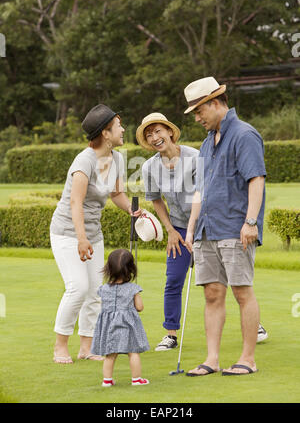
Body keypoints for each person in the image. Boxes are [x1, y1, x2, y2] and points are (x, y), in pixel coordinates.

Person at [184, 77, 267, 376]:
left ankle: (248, 359)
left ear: (215, 103)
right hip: (207, 230)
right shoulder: (207, 142)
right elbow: (200, 190)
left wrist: (251, 222)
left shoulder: (244, 134)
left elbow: (256, 178)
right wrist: (191, 228)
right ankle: (212, 359)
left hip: (235, 227)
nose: (197, 117)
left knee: (242, 292)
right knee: (212, 294)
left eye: (199, 111)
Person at [50, 104, 141, 364]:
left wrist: (134, 212)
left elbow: (116, 195)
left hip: (93, 233)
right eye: (118, 126)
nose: (123, 129)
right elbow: (75, 203)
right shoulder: (84, 161)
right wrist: (81, 238)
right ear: (105, 133)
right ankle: (60, 346)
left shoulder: (118, 159)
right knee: (78, 288)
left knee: (95, 292)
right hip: (67, 232)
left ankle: (87, 348)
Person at [136, 113, 198, 351]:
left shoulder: (195, 157)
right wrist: (171, 230)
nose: (155, 137)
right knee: (173, 280)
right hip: (178, 229)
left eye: (158, 131)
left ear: (170, 132)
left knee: (223, 279)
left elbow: (201, 195)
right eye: (149, 135)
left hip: (206, 225)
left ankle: (254, 324)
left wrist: (192, 230)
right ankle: (170, 334)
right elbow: (156, 200)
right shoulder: (149, 167)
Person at [91, 249, 150, 387]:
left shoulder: (103, 289)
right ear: (131, 269)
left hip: (109, 325)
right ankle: (136, 379)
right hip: (128, 325)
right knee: (133, 351)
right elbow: (140, 307)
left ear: (109, 269)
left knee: (110, 354)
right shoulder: (133, 288)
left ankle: (107, 380)